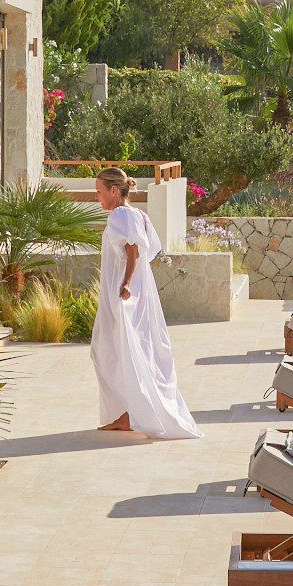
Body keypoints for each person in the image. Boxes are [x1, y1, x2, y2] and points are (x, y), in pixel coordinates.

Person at [89, 168, 200, 439]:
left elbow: (134, 250)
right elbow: (148, 250)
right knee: (125, 351)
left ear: (114, 191)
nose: (97, 197)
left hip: (125, 296)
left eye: (99, 191)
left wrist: (126, 283)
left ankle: (132, 414)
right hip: (136, 294)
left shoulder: (122, 214)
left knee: (109, 350)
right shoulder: (139, 215)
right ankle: (130, 412)